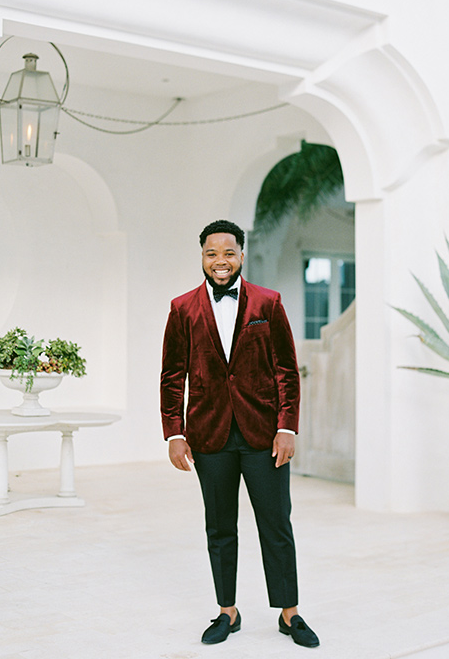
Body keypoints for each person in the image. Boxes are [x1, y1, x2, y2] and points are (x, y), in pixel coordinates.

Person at [160, 219, 319, 648]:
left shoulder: (268, 303)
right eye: (212, 254)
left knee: (276, 524)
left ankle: (290, 614)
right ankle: (227, 611)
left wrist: (286, 427)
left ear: (242, 255)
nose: (220, 261)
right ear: (202, 257)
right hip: (209, 436)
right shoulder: (182, 308)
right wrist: (174, 433)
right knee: (220, 527)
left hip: (264, 434)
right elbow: (172, 375)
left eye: (229, 253)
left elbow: (287, 370)